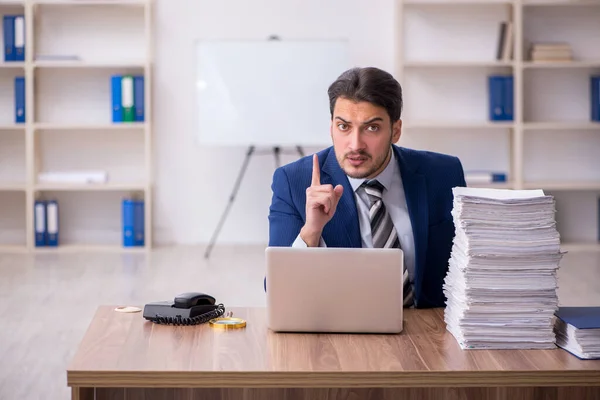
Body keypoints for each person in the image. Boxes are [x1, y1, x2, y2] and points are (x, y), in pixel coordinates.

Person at [267, 66, 466, 308]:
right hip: (342, 331)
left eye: (372, 128)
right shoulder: (293, 181)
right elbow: (277, 289)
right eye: (344, 127)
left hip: (427, 330)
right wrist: (311, 232)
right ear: (331, 128)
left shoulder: (443, 174)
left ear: (395, 130)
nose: (355, 144)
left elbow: (467, 268)